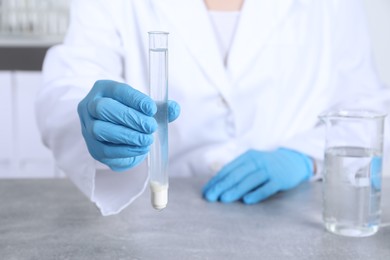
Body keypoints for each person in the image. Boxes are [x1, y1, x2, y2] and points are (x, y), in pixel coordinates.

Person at [36, 0, 390, 216]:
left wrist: (303, 157)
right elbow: (67, 83)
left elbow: (364, 109)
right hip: (155, 216)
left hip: (294, 210)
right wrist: (90, 113)